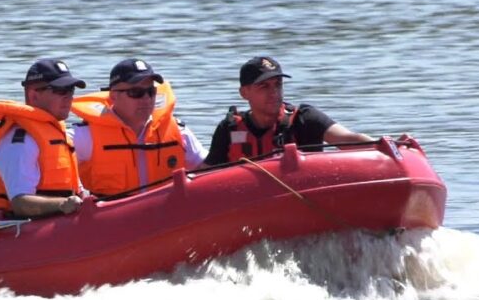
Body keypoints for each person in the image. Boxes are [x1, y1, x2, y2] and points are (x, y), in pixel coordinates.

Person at [70, 58, 207, 197]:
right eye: (136, 92)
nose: (146, 99)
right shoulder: (85, 136)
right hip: (114, 210)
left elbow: (207, 171)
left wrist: (219, 149)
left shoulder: (178, 131)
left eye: (151, 91)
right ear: (114, 95)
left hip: (167, 208)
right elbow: (59, 172)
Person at [204, 56, 373, 166]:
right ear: (244, 93)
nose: (274, 92)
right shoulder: (229, 129)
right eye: (264, 86)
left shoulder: (304, 118)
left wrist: (386, 148)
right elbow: (203, 174)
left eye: (278, 85)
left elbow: (350, 139)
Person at [0, 58, 85, 219]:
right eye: (61, 90)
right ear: (34, 96)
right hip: (19, 226)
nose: (69, 97)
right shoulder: (20, 141)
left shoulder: (60, 134)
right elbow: (20, 204)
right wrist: (62, 204)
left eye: (71, 90)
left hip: (60, 221)